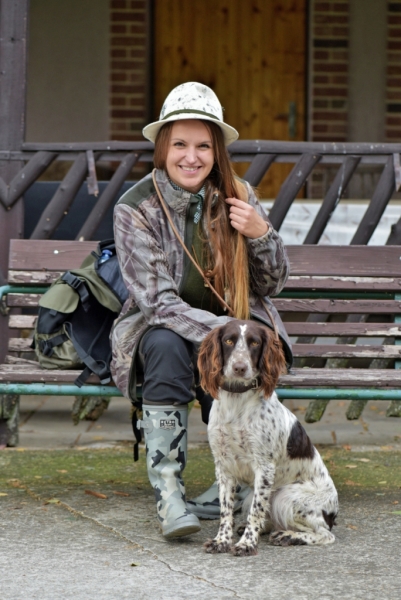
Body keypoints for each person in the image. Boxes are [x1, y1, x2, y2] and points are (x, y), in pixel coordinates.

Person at [111, 81, 292, 539]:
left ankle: (235, 486)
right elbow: (157, 303)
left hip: (232, 329)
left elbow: (271, 285)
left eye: (203, 146)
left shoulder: (239, 195)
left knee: (237, 349)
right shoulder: (136, 208)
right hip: (163, 330)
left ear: (216, 152)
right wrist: (229, 333)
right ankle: (169, 492)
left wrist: (261, 234)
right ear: (162, 147)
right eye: (180, 145)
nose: (191, 157)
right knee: (167, 345)